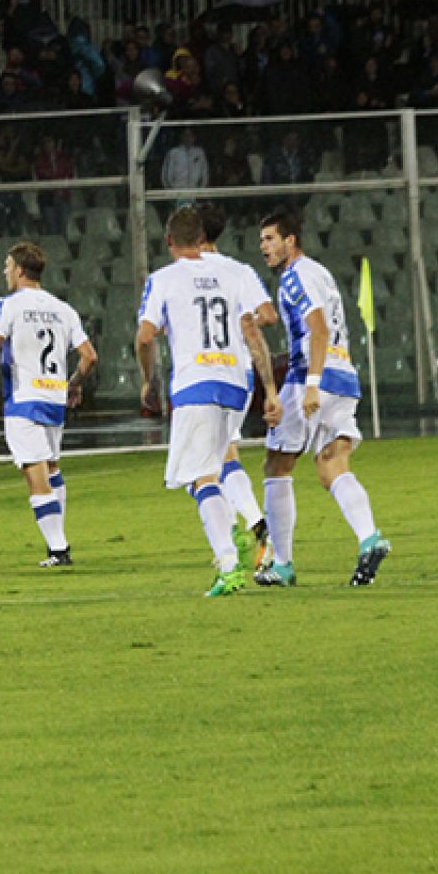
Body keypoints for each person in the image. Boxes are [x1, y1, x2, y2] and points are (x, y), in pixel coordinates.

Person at [135, 207, 280, 598]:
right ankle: (243, 528)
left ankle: (229, 563)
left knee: (201, 478)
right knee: (217, 464)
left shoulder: (163, 279)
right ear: (201, 238)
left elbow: (145, 337)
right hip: (235, 382)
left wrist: (148, 378)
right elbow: (258, 324)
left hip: (195, 384)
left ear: (169, 241)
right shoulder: (234, 272)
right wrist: (269, 389)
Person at [256, 211, 393, 588]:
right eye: (262, 240)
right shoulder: (320, 273)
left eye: (270, 239)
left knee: (276, 466)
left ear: (290, 240)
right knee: (332, 464)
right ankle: (370, 538)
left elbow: (318, 329)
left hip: (310, 377)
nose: (264, 247)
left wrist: (312, 384)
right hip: (344, 375)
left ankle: (282, 564)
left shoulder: (294, 277)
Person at [0, 242, 98, 567]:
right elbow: (89, 357)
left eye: (8, 266)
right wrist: (73, 384)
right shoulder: (63, 309)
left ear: (20, 271)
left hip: (24, 399)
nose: (5, 272)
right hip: (54, 397)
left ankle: (59, 549)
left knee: (35, 473)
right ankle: (55, 545)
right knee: (51, 468)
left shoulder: (7, 306)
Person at [198, 202, 279, 568]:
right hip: (240, 374)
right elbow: (268, 315)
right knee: (225, 454)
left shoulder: (183, 273)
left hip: (205, 376)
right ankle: (250, 527)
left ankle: (247, 529)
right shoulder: (239, 271)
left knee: (201, 468)